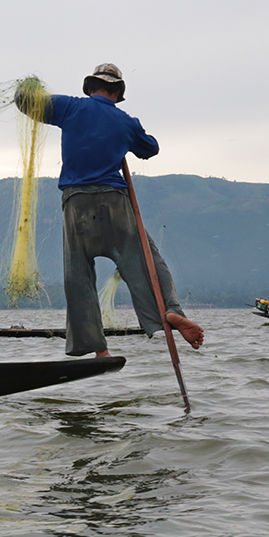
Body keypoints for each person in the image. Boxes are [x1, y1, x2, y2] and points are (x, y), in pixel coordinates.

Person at [15, 63, 204, 357]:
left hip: (76, 203)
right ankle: (169, 311)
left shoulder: (70, 107)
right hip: (114, 201)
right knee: (147, 261)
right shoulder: (126, 121)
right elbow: (150, 148)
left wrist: (24, 89)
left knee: (78, 277)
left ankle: (97, 348)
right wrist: (132, 134)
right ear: (118, 92)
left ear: (90, 88)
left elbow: (26, 103)